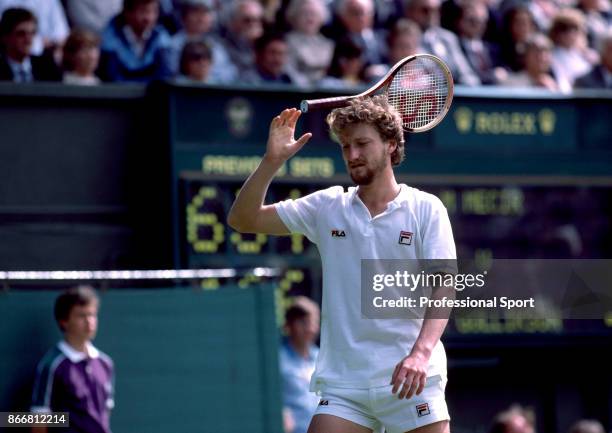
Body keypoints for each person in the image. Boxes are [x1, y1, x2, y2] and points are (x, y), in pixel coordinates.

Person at [228, 97, 456, 433]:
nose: (352, 155)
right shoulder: (327, 206)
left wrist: (420, 354)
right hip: (345, 385)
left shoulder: (426, 208)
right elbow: (242, 219)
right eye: (345, 146)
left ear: (391, 144)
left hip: (411, 379)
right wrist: (271, 161)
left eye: (362, 144)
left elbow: (445, 285)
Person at [31, 286, 114, 433]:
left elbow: (104, 413)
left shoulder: (105, 364)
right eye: (82, 316)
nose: (89, 322)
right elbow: (38, 419)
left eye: (92, 315)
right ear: (64, 321)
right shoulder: (52, 365)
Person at [403, 0, 480, 85]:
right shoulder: (402, 40)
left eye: (436, 10)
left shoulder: (448, 38)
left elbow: (466, 73)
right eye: (425, 10)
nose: (431, 15)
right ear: (410, 11)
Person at [99, 0, 173, 82]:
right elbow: (111, 78)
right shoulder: (109, 41)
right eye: (143, 11)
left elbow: (165, 76)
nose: (149, 18)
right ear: (127, 13)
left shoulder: (161, 39)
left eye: (154, 11)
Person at [279, 297, 320, 433]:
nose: (310, 328)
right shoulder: (277, 359)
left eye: (313, 322)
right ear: (290, 325)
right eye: (304, 322)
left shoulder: (322, 358)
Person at [0, 7, 61, 82]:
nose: (28, 40)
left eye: (32, 33)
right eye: (21, 34)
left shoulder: (48, 67)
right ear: (5, 37)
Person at [284, 0, 334, 87]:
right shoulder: (286, 42)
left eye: (314, 14)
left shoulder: (328, 44)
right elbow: (288, 70)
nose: (310, 18)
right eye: (305, 13)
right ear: (295, 16)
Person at [0, 0, 68, 56]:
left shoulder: (50, 1)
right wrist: (39, 42)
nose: (28, 39)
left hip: (47, 53)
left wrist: (44, 43)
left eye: (33, 33)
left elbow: (62, 34)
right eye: (22, 33)